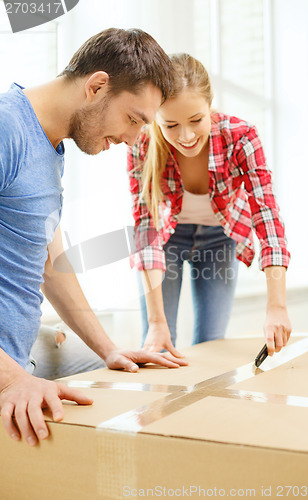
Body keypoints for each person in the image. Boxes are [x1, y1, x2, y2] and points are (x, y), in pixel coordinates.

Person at [0, 28, 188, 447]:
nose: (131, 139)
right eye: (134, 120)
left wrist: (109, 349)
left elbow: (48, 263)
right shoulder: (7, 128)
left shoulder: (49, 149)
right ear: (97, 86)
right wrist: (11, 381)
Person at [127, 53, 292, 360]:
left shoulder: (241, 137)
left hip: (221, 238)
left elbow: (266, 218)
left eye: (196, 120)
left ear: (210, 106)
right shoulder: (142, 143)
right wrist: (155, 322)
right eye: (171, 125)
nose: (186, 136)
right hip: (168, 240)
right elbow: (145, 228)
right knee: (158, 342)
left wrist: (277, 307)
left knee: (211, 342)